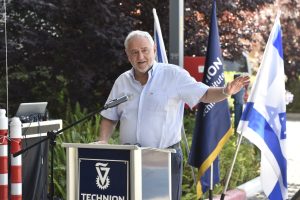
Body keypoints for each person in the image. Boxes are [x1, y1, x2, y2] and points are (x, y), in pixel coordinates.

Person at [97, 30, 250, 200]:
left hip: (163, 158)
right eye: (134, 52)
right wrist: (103, 141)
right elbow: (110, 116)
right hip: (129, 159)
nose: (140, 56)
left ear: (154, 49)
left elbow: (204, 94)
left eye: (145, 50)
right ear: (127, 55)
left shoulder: (173, 75)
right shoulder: (122, 81)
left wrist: (224, 91)